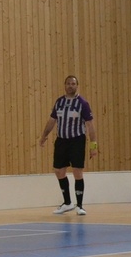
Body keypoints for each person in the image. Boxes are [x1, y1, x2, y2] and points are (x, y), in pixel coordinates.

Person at [38, 75, 97, 216]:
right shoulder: (59, 102)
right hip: (61, 141)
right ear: (65, 85)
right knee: (58, 171)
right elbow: (52, 120)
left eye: (73, 83)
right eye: (68, 83)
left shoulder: (82, 103)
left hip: (77, 140)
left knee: (77, 171)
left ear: (77, 86)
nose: (70, 86)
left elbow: (90, 125)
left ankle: (80, 206)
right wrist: (44, 135)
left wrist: (93, 146)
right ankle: (67, 203)